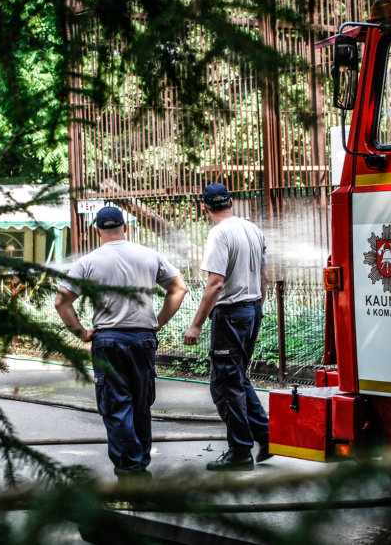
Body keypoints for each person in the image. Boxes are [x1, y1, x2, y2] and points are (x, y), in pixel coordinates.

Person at [55, 206, 188, 479]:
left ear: (97, 230)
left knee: (117, 408)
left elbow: (62, 302)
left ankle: (130, 471)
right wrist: (158, 321)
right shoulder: (150, 256)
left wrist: (81, 332)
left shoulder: (89, 262)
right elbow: (179, 288)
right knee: (141, 405)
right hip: (143, 339)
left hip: (109, 341)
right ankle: (139, 466)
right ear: (125, 227)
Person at [184, 183, 270, 471]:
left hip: (231, 313)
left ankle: (240, 452)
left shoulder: (218, 233)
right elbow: (264, 276)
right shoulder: (252, 229)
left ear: (204, 208)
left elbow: (215, 283)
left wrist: (195, 325)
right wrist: (257, 309)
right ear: (230, 202)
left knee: (225, 384)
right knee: (238, 378)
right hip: (252, 308)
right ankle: (265, 435)